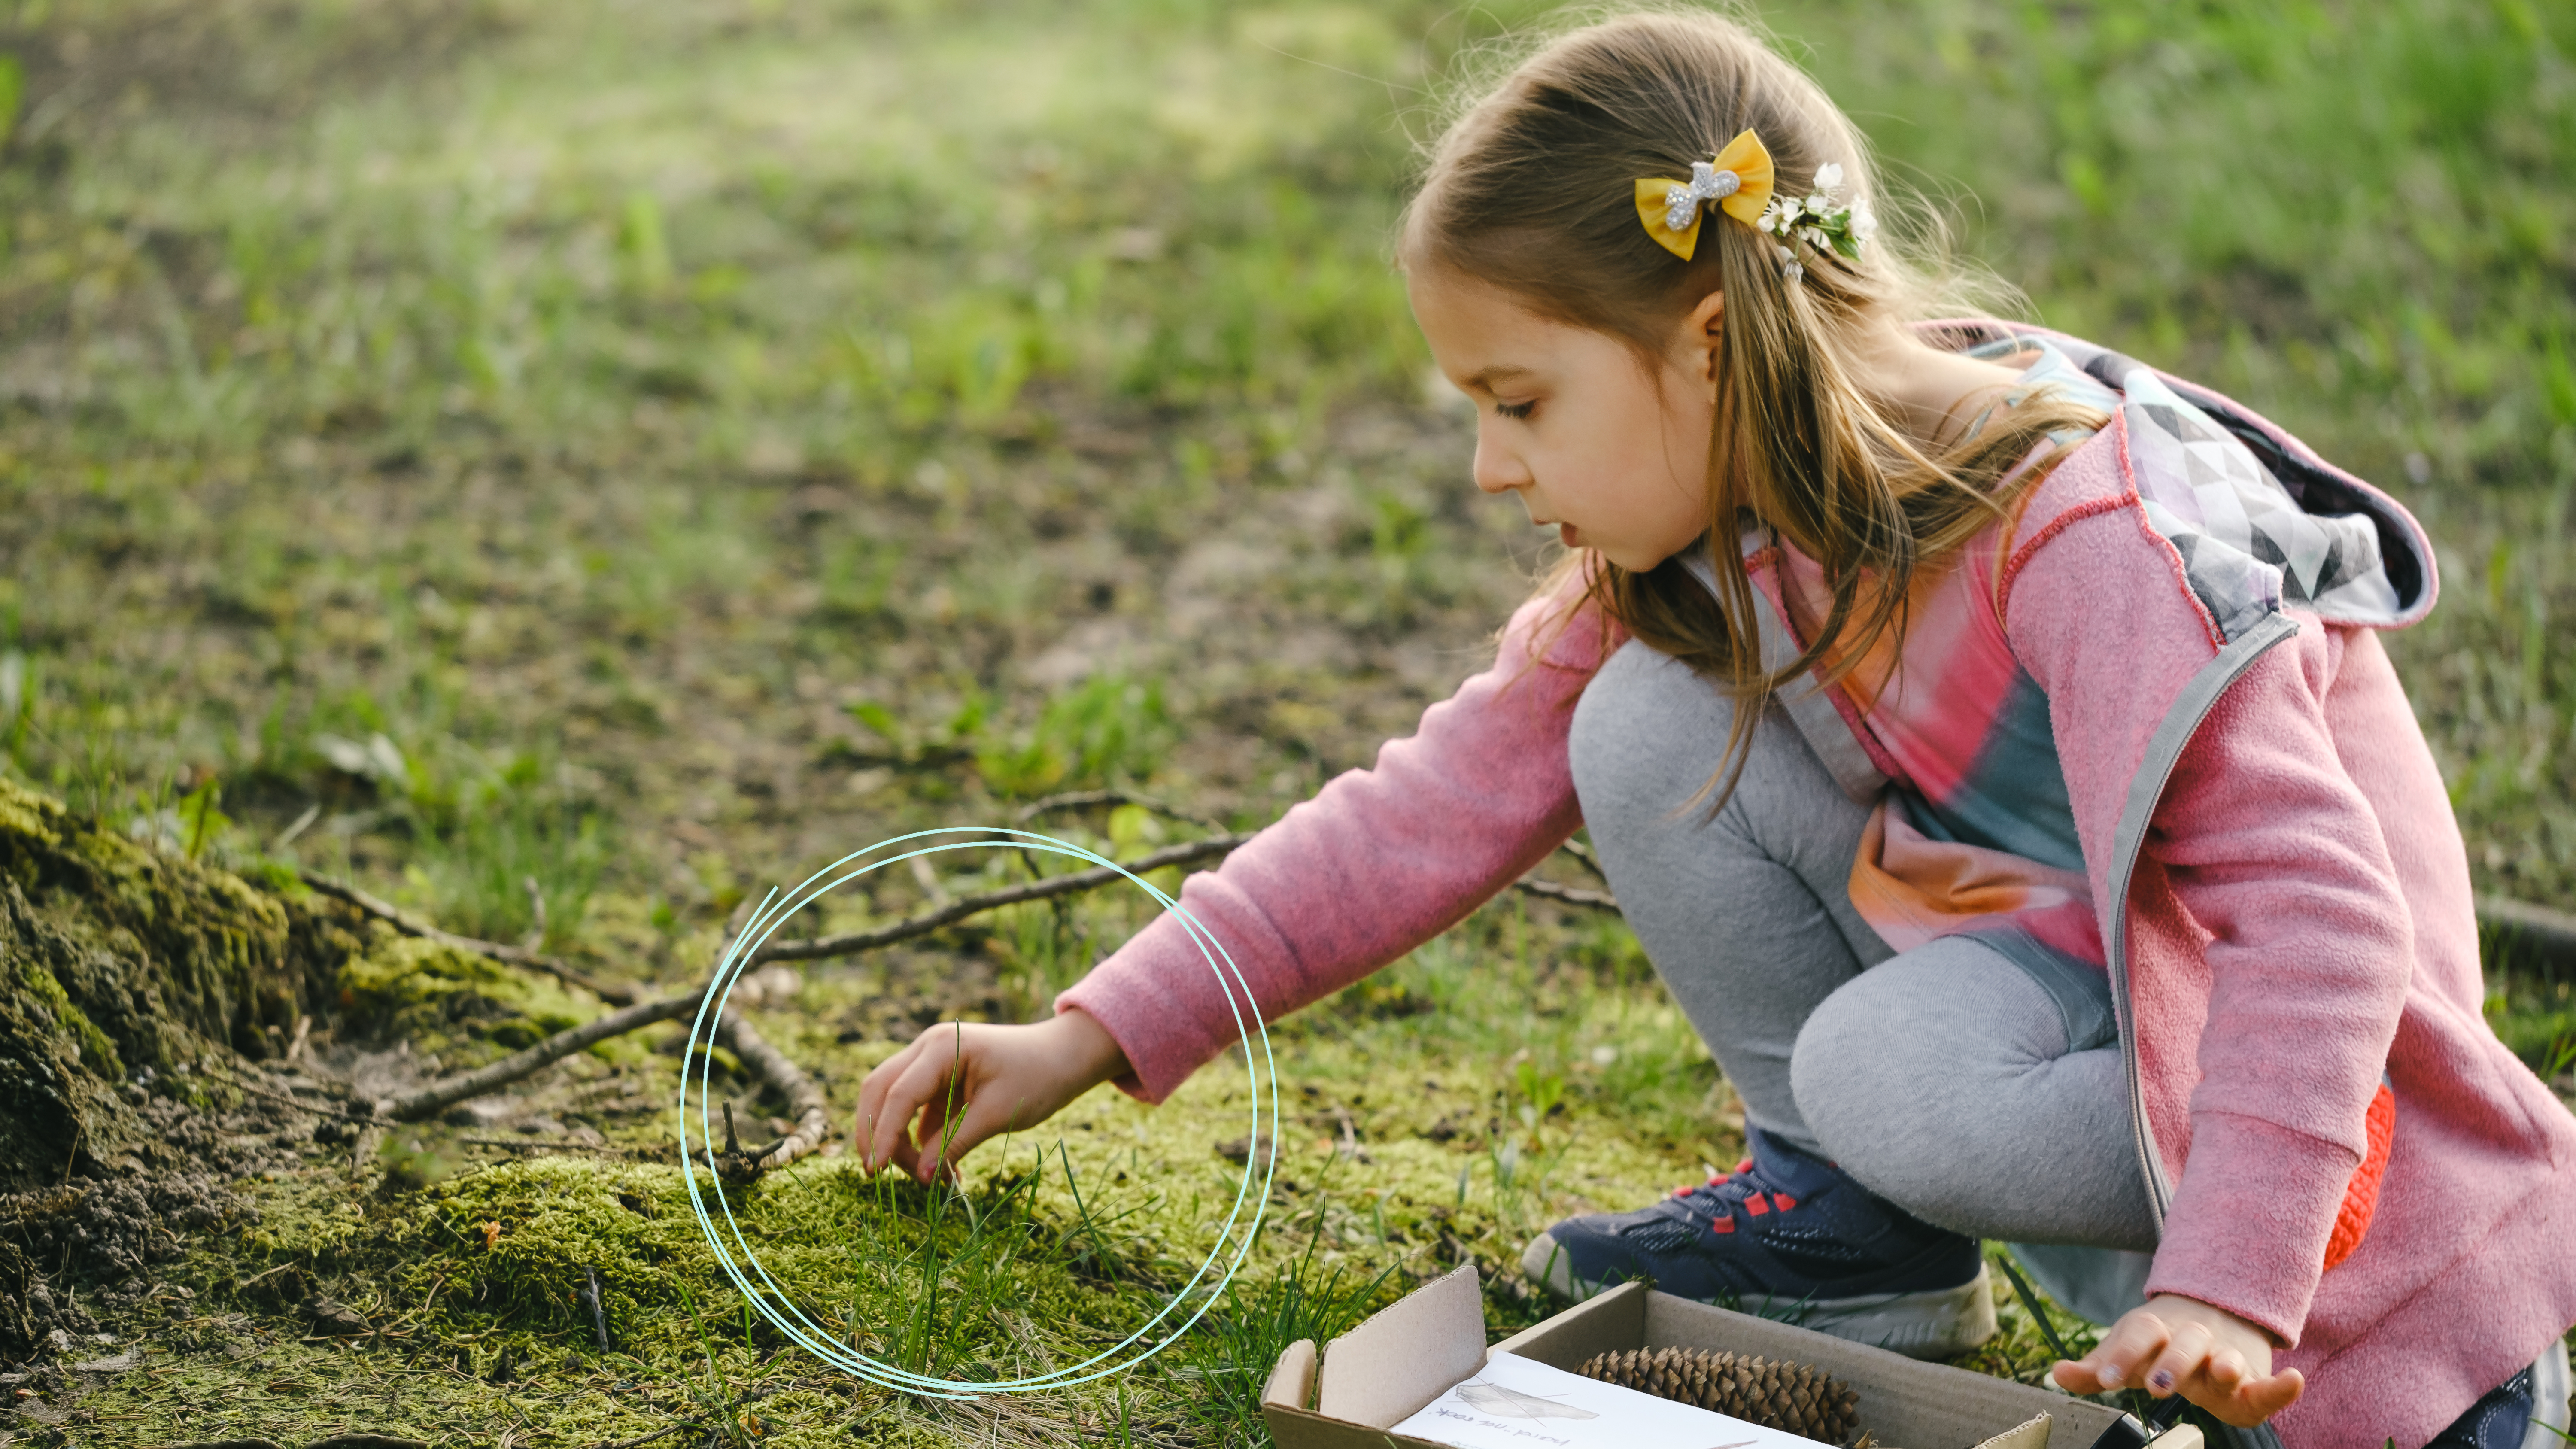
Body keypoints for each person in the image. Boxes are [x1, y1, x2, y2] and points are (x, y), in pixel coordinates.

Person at [853, 12, 2576, 1445]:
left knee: (1887, 1072)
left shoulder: (2099, 541)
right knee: (1642, 715)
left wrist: (2235, 1287)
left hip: (2356, 1154)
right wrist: (1085, 1038)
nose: (1489, 467)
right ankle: (1853, 1234)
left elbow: (2323, 927)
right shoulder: (1735, 521)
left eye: (1519, 403)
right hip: (2085, 987)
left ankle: (2252, 1321)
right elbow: (1430, 804)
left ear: (1706, 345)